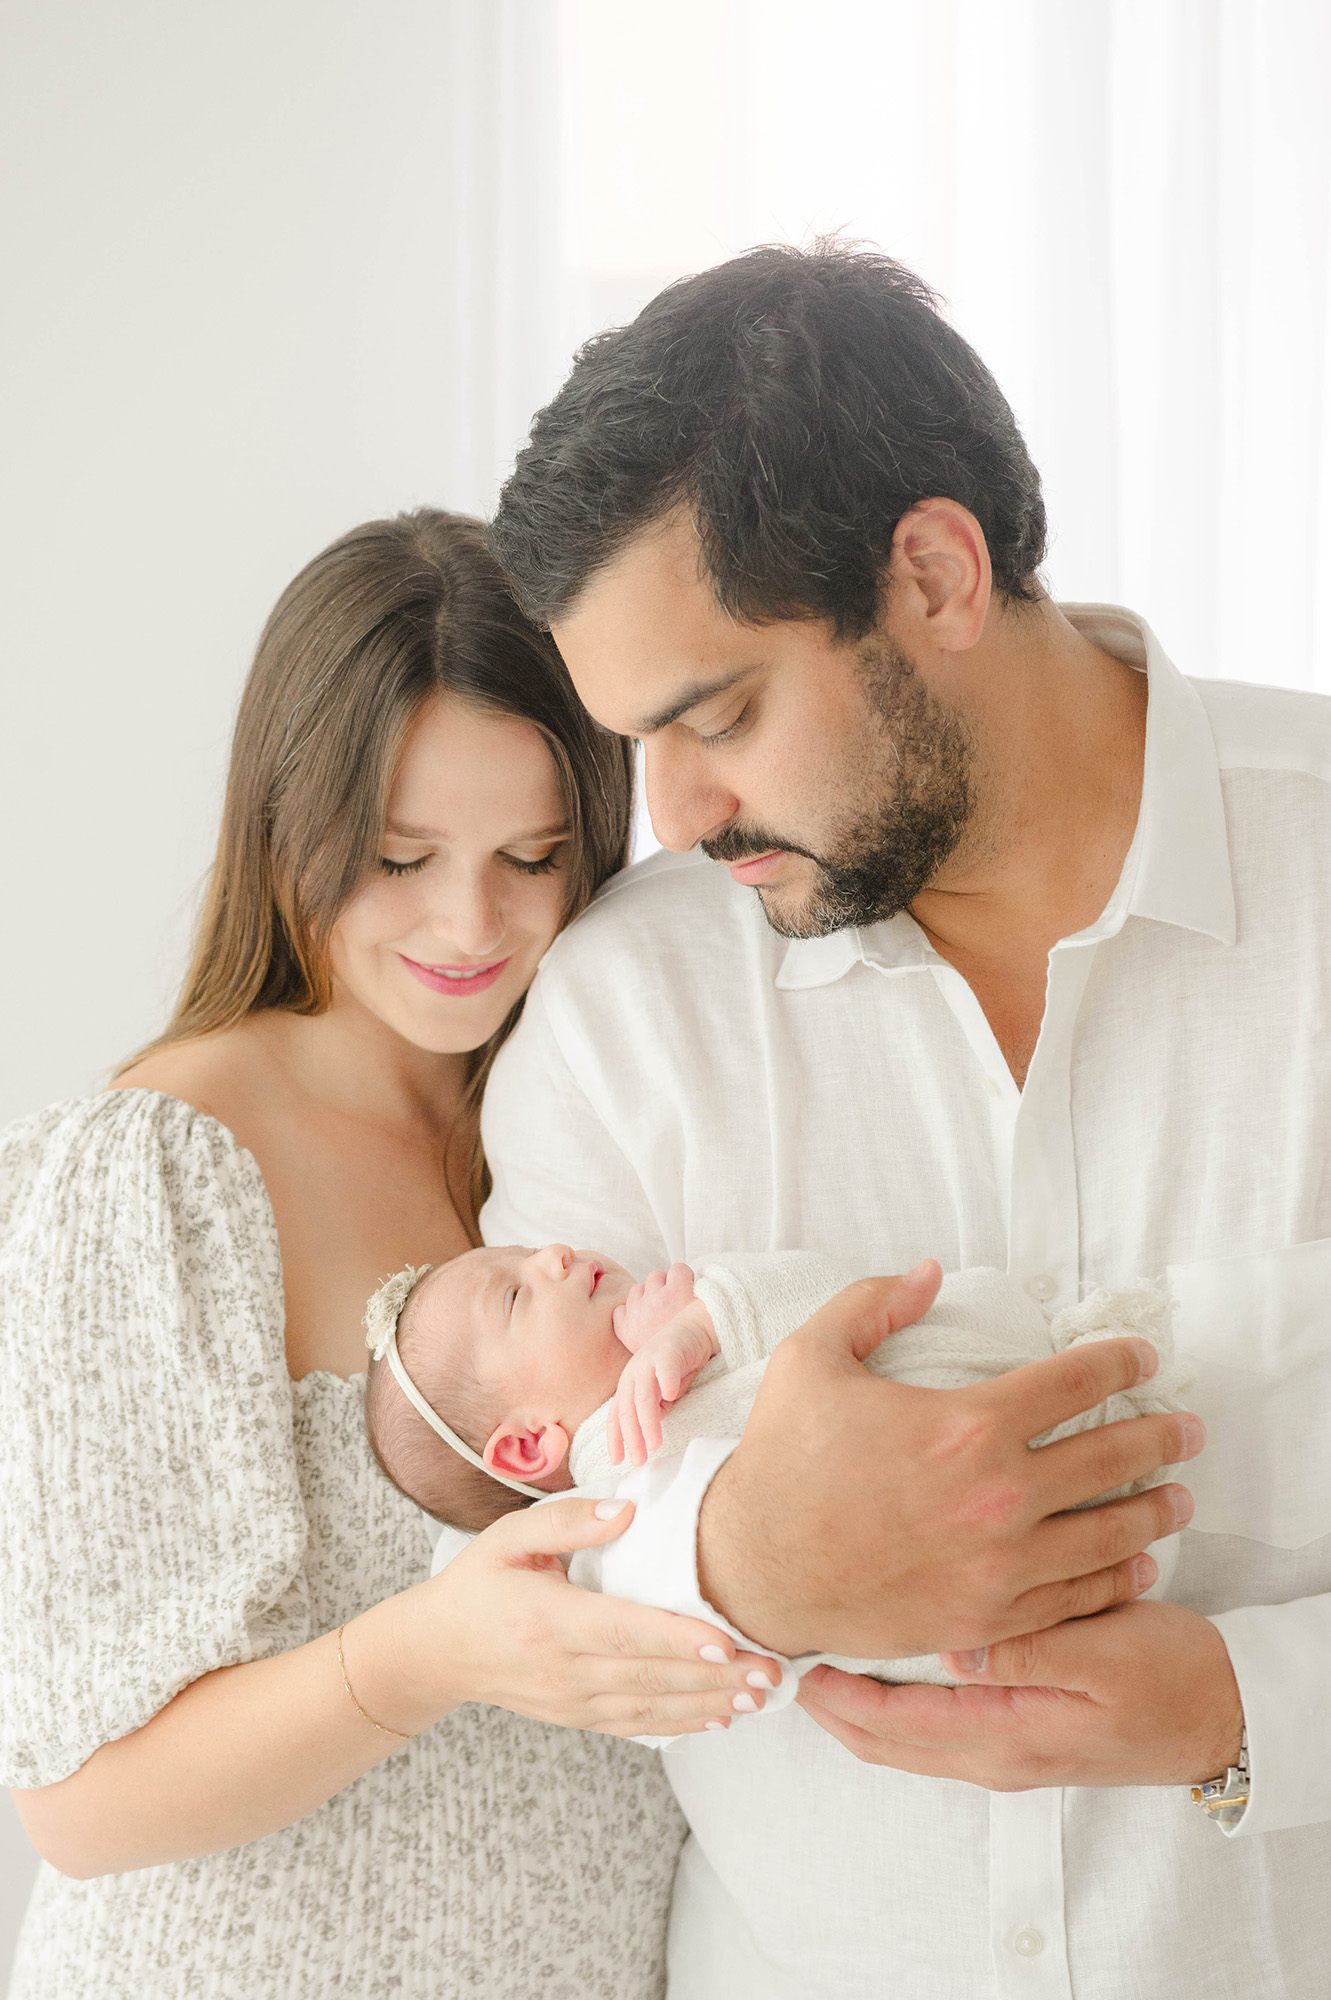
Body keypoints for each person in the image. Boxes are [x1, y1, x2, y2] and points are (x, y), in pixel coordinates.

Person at [484, 241, 1331, 1997]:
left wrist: (1245, 1707)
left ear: (936, 575)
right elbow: (499, 1569)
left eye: (717, 715)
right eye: (634, 740)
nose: (676, 810)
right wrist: (738, 1555)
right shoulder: (627, 1015)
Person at [0, 509, 777, 2000]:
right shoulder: (160, 1175)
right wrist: (422, 1654)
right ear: (288, 827)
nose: (470, 925)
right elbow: (82, 1801)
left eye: (531, 856)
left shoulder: (592, 1116)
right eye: (399, 858)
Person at [361, 1245, 1188, 1704]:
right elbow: (693, 1612)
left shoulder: (689, 1340)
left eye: (523, 1253)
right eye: (513, 1297)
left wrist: (711, 1318)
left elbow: (823, 1296)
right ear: (525, 1446)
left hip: (1016, 1388)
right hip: (978, 1584)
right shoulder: (608, 1526)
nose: (551, 1254)